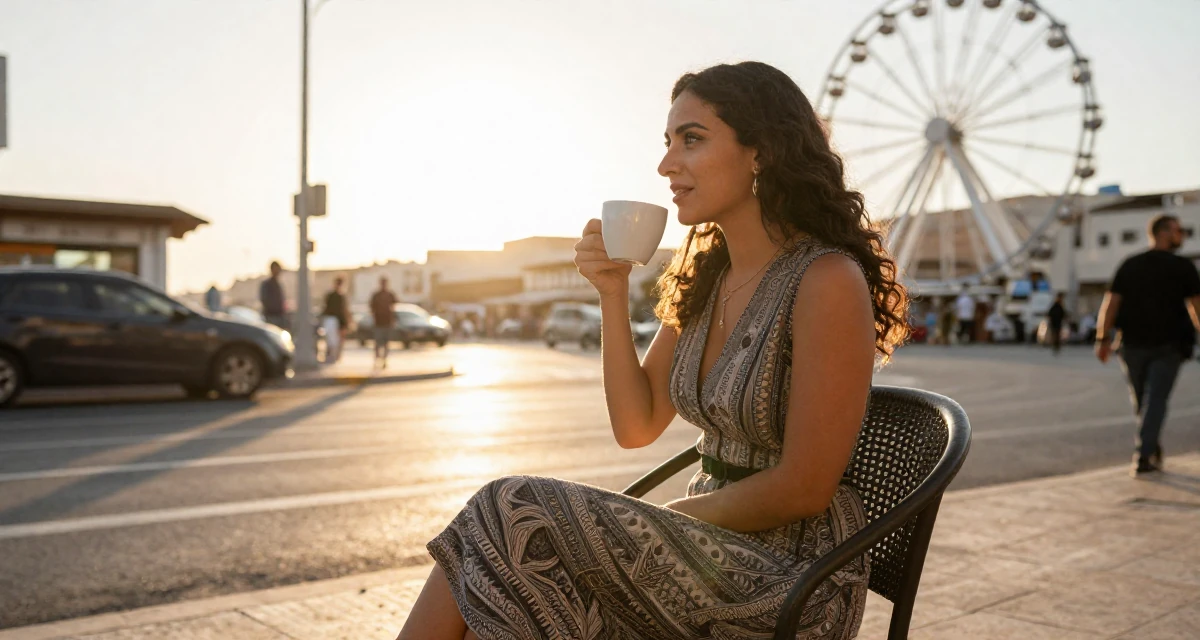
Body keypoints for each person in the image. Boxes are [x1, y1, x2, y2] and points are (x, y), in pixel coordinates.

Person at [398, 62, 909, 640]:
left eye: (691, 139)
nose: (666, 164)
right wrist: (611, 293)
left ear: (761, 152)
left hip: (788, 581)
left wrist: (661, 520)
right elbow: (636, 425)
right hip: (699, 555)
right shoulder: (709, 279)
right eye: (667, 142)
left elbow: (805, 486)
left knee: (510, 510)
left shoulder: (825, 279)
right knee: (496, 571)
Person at [1096, 214, 1200, 476]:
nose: (1182, 235)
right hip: (1155, 345)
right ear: (1163, 232)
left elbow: (1110, 304)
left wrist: (1103, 338)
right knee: (1148, 401)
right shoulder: (1182, 266)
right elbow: (1197, 307)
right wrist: (1102, 338)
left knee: (1150, 399)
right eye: (1178, 231)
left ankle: (1144, 453)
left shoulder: (1131, 264)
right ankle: (1150, 447)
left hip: (1148, 347)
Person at [370, 276, 398, 368]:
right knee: (378, 342)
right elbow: (372, 308)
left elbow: (394, 306)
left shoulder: (390, 294)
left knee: (386, 342)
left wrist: (393, 319)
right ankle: (377, 359)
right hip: (378, 322)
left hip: (387, 321)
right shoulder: (376, 295)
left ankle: (384, 360)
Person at [321, 277, 350, 364]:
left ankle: (335, 356)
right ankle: (331, 355)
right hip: (332, 319)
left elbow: (344, 310)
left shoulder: (341, 296)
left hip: (338, 320)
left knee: (337, 340)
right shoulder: (332, 296)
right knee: (331, 340)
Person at [260, 261, 288, 329]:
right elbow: (264, 300)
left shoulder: (278, 284)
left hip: (279, 317)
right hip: (271, 317)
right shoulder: (267, 284)